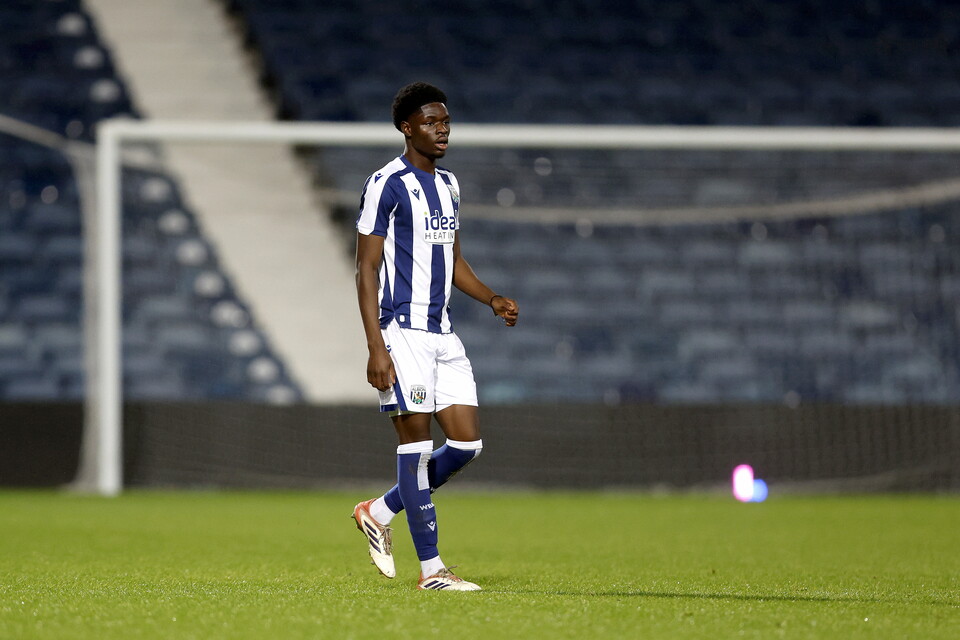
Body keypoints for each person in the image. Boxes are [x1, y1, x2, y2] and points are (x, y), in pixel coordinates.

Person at [352, 82, 519, 591]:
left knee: (466, 445)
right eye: (430, 122)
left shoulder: (449, 185)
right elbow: (365, 268)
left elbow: (453, 260)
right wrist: (376, 346)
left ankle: (379, 511)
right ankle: (432, 571)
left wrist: (490, 297)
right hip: (402, 332)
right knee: (417, 448)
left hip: (443, 332)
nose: (441, 130)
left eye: (445, 122)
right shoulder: (386, 183)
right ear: (407, 128)